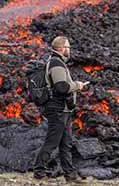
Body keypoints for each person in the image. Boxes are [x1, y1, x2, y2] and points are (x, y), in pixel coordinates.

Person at [33, 36, 88, 182]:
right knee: (52, 142)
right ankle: (39, 172)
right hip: (58, 109)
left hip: (63, 110)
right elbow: (62, 87)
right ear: (61, 49)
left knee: (65, 143)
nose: (69, 50)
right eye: (68, 47)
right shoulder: (56, 64)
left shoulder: (58, 62)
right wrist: (78, 85)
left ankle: (70, 175)